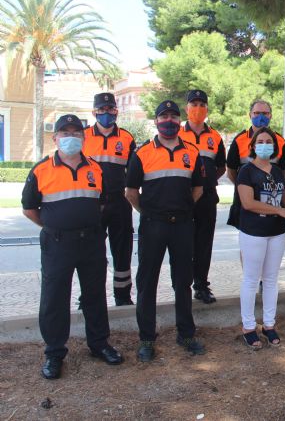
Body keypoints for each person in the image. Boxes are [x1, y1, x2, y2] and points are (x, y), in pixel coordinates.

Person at [22, 114, 123, 380]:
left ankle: (99, 344)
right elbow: (30, 209)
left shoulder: (95, 169)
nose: (70, 137)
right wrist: (55, 226)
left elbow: (100, 204)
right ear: (55, 138)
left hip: (91, 241)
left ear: (83, 137)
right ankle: (54, 352)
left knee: (94, 295)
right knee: (55, 298)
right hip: (57, 243)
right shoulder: (41, 170)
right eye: (64, 133)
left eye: (76, 133)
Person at [125, 100, 207, 362]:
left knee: (182, 281)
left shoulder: (192, 152)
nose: (169, 120)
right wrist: (149, 214)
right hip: (153, 225)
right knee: (147, 282)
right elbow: (130, 193)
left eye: (173, 116)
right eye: (164, 116)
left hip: (183, 224)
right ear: (156, 121)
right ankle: (146, 338)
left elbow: (198, 189)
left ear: (179, 120)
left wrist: (182, 209)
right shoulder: (142, 153)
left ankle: (186, 334)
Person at [236, 127, 285, 349]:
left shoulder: (276, 171)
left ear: (275, 147)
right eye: (260, 141)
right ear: (253, 146)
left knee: (271, 279)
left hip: (276, 233)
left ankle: (269, 324)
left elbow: (282, 201)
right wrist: (281, 212)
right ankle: (248, 327)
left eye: (269, 141)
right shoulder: (246, 171)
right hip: (253, 232)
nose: (265, 145)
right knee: (251, 280)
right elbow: (248, 203)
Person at [83, 92, 136, 306]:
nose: (106, 113)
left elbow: (133, 172)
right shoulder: (83, 136)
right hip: (92, 203)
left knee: (122, 251)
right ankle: (89, 297)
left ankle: (122, 296)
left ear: (116, 111)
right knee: (91, 253)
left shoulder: (127, 138)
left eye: (110, 109)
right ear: (94, 112)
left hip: (120, 202)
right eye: (102, 109)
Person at [178, 90, 226, 304]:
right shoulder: (176, 134)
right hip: (183, 198)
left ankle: (201, 286)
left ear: (207, 109)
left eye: (201, 104)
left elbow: (222, 166)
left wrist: (206, 181)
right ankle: (182, 285)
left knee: (204, 244)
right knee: (183, 243)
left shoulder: (215, 136)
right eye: (193, 103)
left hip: (207, 198)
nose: (198, 108)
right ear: (186, 108)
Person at [226, 99, 285, 229]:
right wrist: (245, 186)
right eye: (257, 113)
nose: (261, 116)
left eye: (265, 113)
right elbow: (231, 171)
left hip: (273, 202)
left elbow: (282, 173)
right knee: (247, 240)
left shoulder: (280, 141)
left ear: (270, 115)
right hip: (246, 201)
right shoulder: (239, 140)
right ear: (250, 115)